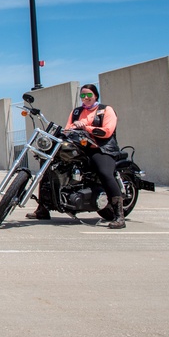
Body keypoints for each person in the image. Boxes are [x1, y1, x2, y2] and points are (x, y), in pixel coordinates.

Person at [27, 83, 126, 229]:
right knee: (50, 168)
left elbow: (107, 131)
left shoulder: (106, 110)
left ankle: (119, 215)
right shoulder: (76, 112)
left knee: (105, 172)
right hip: (81, 148)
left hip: (102, 148)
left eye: (89, 95)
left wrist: (86, 126)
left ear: (95, 95)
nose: (86, 98)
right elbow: (68, 129)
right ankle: (43, 209)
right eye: (83, 95)